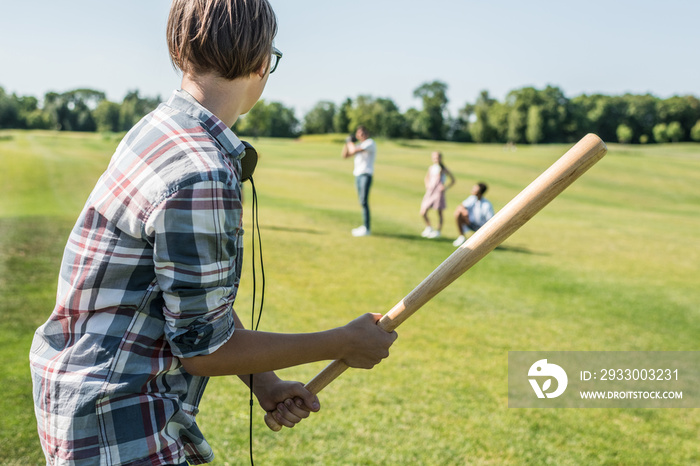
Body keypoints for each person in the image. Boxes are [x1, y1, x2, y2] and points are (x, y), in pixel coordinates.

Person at [28, 1, 397, 465]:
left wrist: (265, 379)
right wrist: (341, 341)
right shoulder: (201, 170)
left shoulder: (158, 129)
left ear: (179, 49)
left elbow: (185, 299)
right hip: (116, 415)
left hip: (81, 400)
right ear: (263, 61)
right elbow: (203, 348)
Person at [342, 125, 376, 236]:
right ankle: (365, 227)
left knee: (364, 201)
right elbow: (345, 155)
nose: (360, 135)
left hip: (366, 174)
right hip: (358, 175)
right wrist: (346, 143)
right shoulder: (359, 144)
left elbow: (353, 150)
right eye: (358, 133)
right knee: (361, 201)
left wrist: (350, 143)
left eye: (362, 132)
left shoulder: (370, 143)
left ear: (366, 133)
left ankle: (367, 228)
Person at [419, 151, 455, 239]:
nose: (436, 159)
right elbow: (427, 178)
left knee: (439, 212)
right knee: (423, 211)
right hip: (431, 191)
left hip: (438, 192)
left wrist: (445, 187)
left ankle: (438, 231)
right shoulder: (431, 168)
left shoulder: (443, 168)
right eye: (434, 157)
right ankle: (429, 227)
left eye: (437, 157)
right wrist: (427, 185)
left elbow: (453, 180)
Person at [452, 182, 495, 247]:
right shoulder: (472, 198)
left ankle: (484, 240)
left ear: (480, 192)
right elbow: (461, 206)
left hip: (481, 227)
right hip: (470, 223)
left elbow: (491, 220)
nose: (473, 190)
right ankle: (462, 237)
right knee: (458, 213)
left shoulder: (487, 205)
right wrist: (464, 211)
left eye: (475, 189)